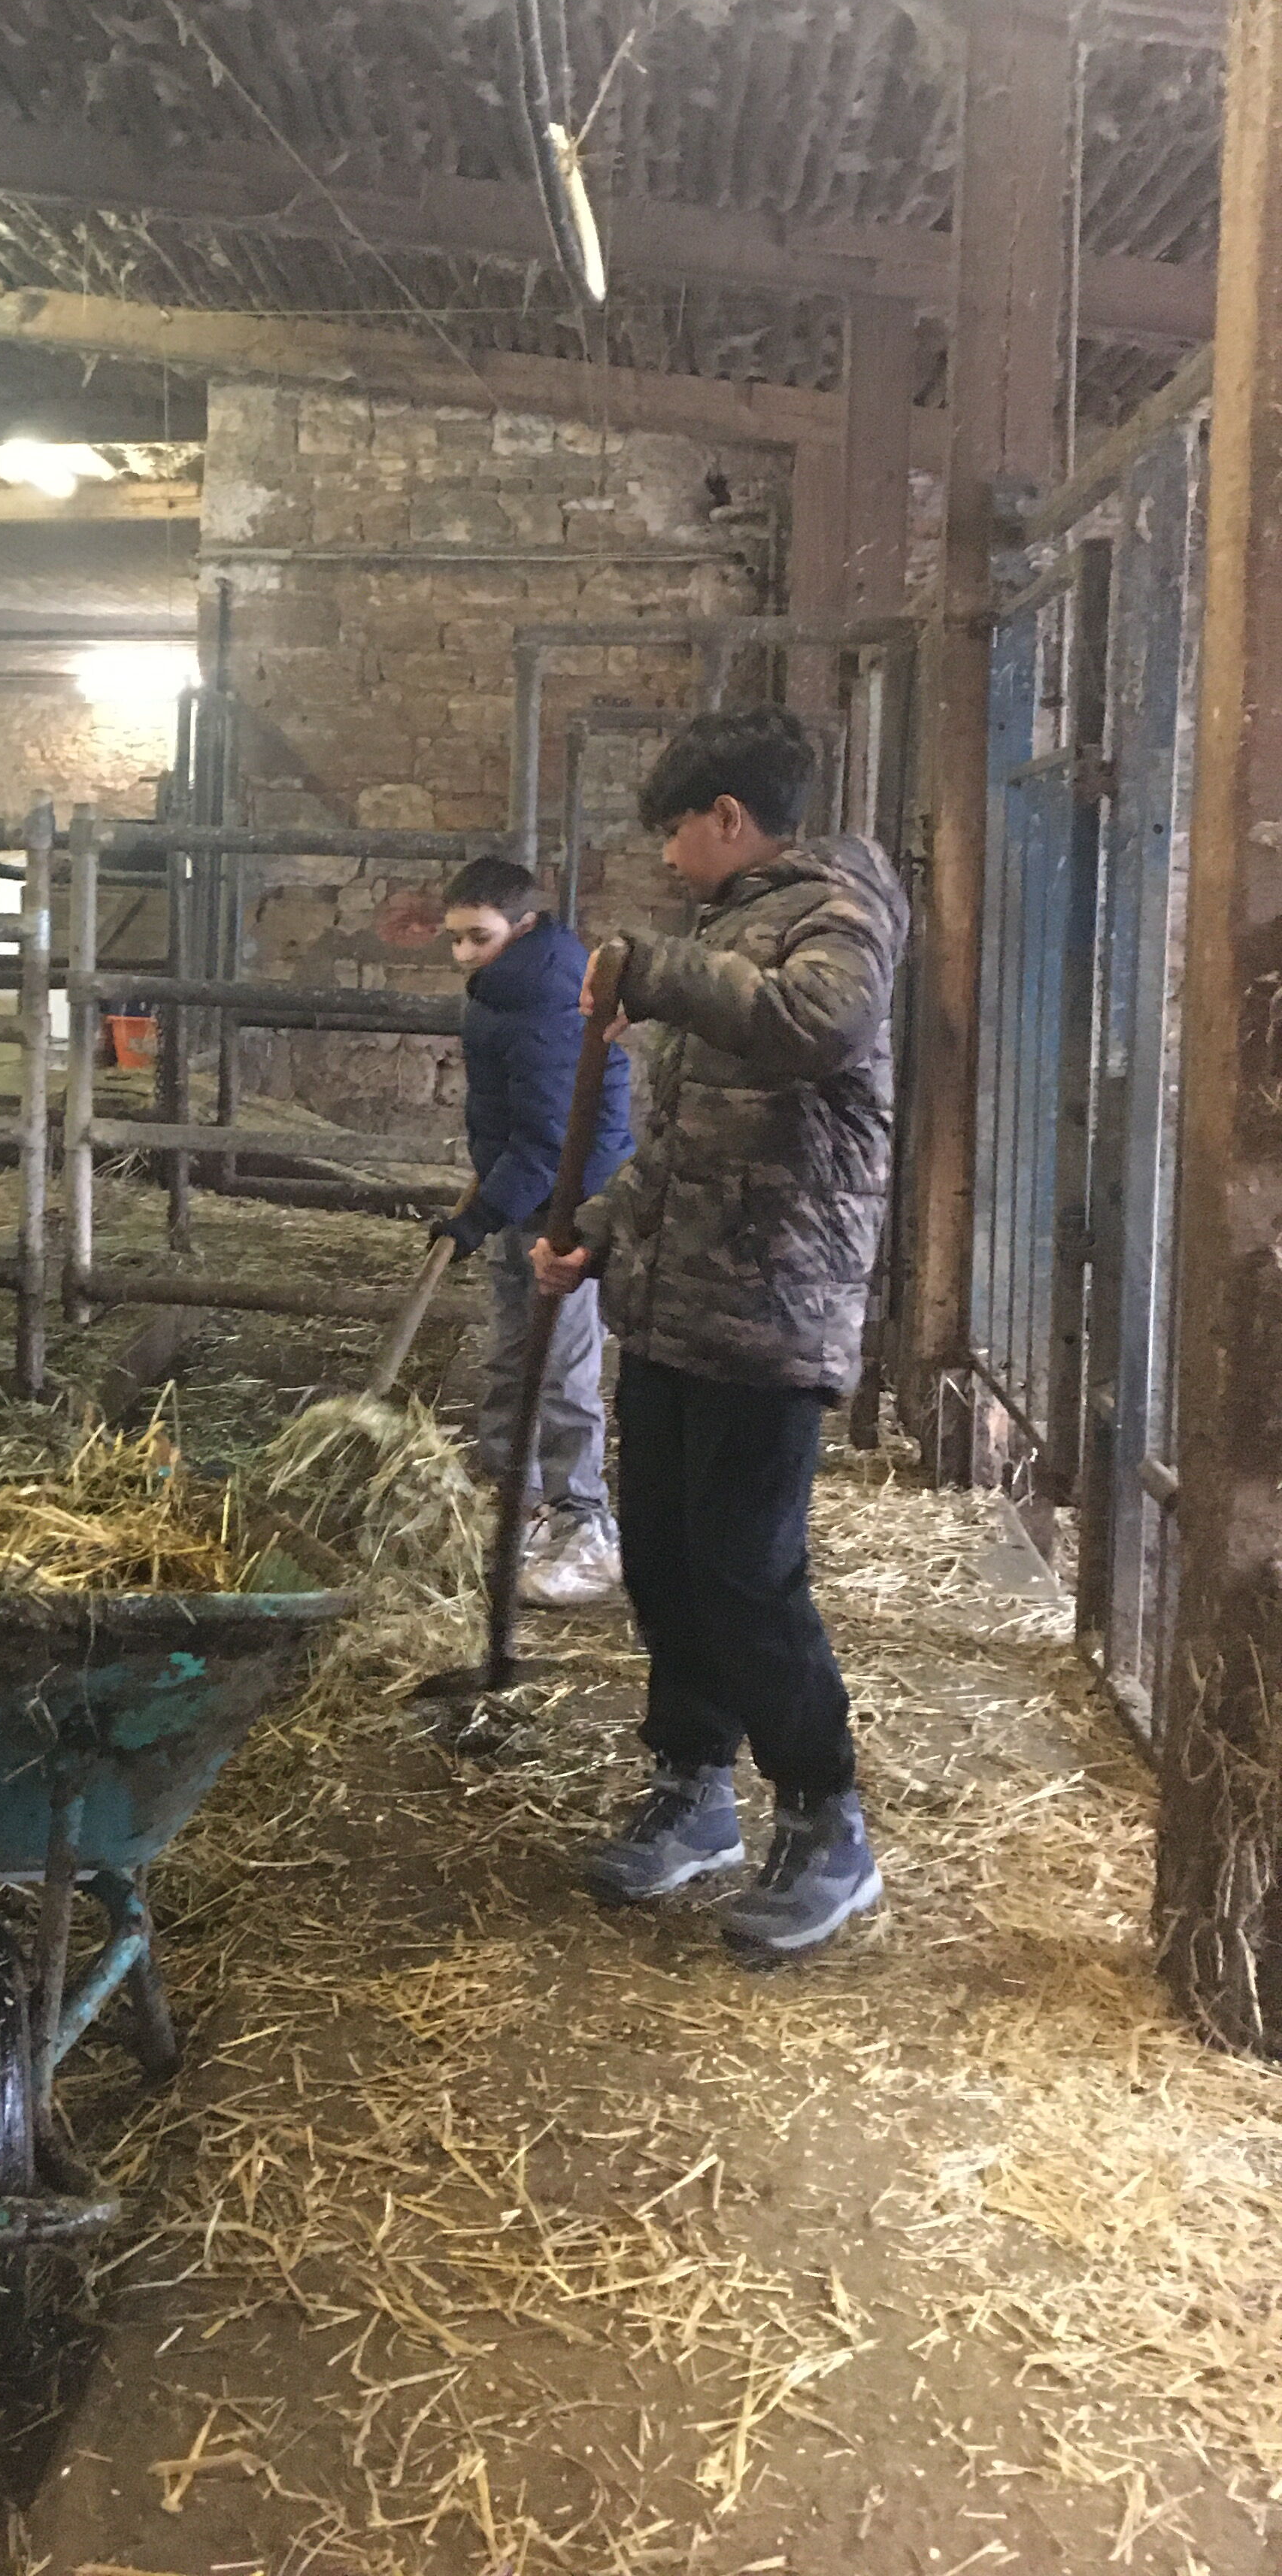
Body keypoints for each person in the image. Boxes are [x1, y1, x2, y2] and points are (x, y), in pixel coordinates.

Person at [532, 705, 907, 1957]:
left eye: (673, 829)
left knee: (747, 1571)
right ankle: (693, 1789)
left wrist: (651, 969)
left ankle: (825, 1819)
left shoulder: (839, 912)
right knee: (665, 1560)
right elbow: (684, 1145)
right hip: (674, 1304)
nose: (665, 853)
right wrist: (595, 1228)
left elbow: (819, 1024)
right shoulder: (721, 933)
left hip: (772, 1308)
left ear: (727, 818)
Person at [435, 854, 632, 1603]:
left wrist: (478, 1216)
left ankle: (585, 1528)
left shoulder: (549, 994)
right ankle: (518, 1507)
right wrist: (487, 1208)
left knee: (564, 1369)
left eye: (477, 937)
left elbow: (554, 1137)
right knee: (513, 1357)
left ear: (521, 926)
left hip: (570, 1206)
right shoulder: (503, 988)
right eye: (454, 938)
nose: (463, 954)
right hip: (522, 1198)